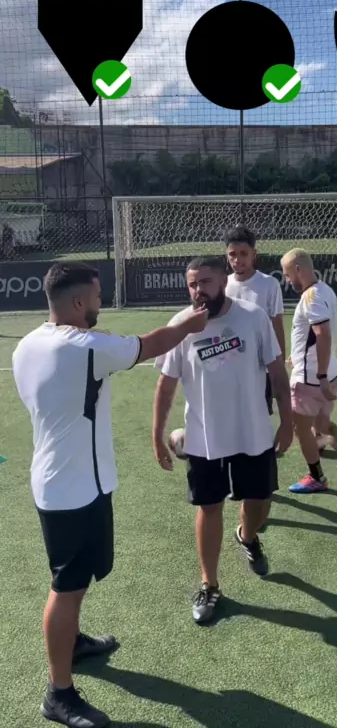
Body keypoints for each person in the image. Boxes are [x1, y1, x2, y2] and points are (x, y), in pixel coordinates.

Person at [12, 261, 207, 728]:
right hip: (74, 489)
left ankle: (73, 643)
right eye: (97, 297)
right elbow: (152, 343)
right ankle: (58, 693)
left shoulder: (28, 344)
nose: (101, 303)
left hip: (62, 481)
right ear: (78, 302)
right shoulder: (86, 348)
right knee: (66, 587)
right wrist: (189, 322)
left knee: (73, 582)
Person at [152, 256, 293, 624]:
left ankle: (247, 536)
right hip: (204, 438)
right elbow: (165, 386)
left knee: (259, 503)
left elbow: (277, 373)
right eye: (192, 284)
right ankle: (209, 584)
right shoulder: (180, 325)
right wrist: (156, 435)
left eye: (206, 282)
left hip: (253, 432)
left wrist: (288, 422)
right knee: (209, 507)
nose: (198, 290)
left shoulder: (252, 316)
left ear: (222, 282)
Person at [281, 248, 337, 496]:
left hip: (311, 379)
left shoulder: (310, 296)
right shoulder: (326, 290)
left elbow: (322, 334)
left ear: (297, 269)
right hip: (330, 372)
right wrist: (299, 356)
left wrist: (319, 376)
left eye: (287, 275)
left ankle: (317, 477)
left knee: (301, 428)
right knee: (323, 424)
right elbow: (314, 336)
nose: (287, 280)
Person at [224, 224, 286, 502]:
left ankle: (261, 481)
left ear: (254, 254)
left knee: (257, 422)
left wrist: (277, 367)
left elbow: (276, 326)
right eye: (232, 254)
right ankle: (235, 480)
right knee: (229, 421)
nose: (238, 259)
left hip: (259, 371)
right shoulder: (223, 285)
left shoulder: (268, 285)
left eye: (243, 253)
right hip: (227, 370)